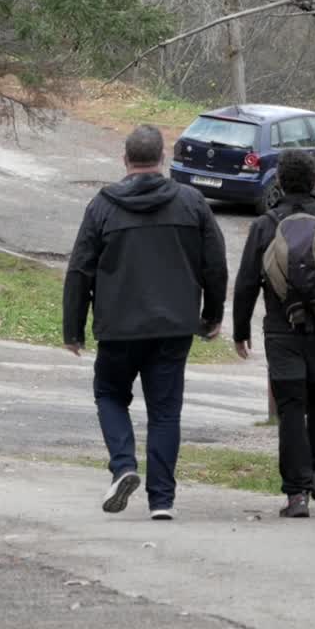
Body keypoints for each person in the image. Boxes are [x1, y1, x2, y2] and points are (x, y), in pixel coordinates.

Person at [63, 125, 228, 520]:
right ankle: (162, 501)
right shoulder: (192, 203)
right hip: (173, 326)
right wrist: (212, 316)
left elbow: (80, 270)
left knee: (109, 394)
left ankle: (123, 465)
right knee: (166, 412)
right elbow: (215, 265)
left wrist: (73, 328)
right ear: (163, 159)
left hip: (118, 325)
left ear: (125, 160)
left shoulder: (102, 206)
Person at [233, 151, 315, 517]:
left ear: (280, 182)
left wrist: (240, 331)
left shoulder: (265, 225)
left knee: (290, 407)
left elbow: (245, 283)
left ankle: (296, 494)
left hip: (281, 329)